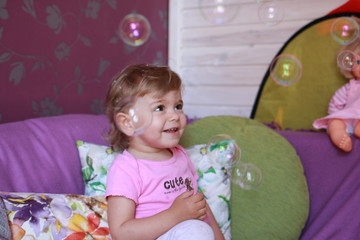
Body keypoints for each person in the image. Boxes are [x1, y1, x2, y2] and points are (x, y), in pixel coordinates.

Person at [105, 63, 225, 240]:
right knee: (196, 230)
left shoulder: (180, 155)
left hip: (192, 233)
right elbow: (121, 232)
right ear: (128, 123)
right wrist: (175, 215)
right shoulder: (127, 168)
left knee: (199, 230)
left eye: (178, 106)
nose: (175, 116)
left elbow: (199, 205)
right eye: (160, 108)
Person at [313, 37, 360, 152]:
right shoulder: (350, 87)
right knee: (335, 123)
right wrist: (335, 117)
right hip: (349, 118)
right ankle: (340, 137)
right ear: (349, 65)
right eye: (358, 62)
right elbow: (335, 103)